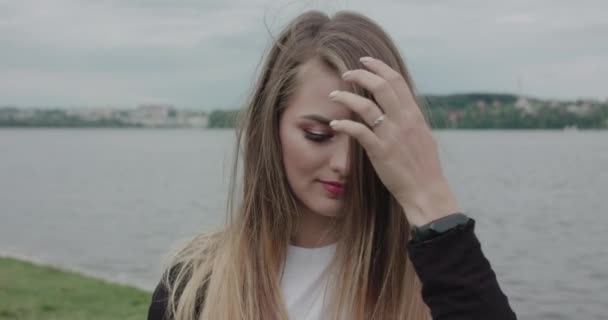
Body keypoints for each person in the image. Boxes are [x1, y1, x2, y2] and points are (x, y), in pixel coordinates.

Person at [147, 10, 516, 320]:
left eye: (367, 140)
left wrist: (433, 200)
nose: (344, 164)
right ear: (270, 128)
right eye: (318, 134)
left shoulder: (437, 284)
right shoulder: (194, 286)